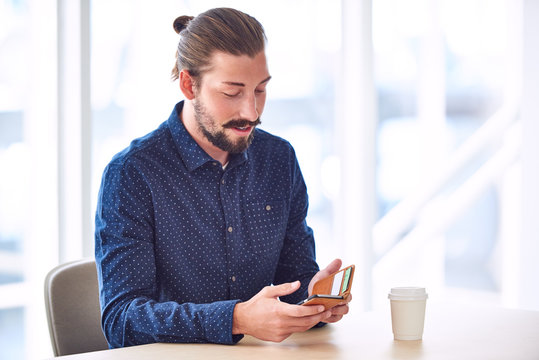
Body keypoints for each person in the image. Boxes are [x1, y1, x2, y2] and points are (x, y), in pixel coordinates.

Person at [95, 7, 350, 348]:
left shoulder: (279, 159)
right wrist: (236, 318)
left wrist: (314, 302)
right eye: (232, 93)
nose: (251, 112)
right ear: (189, 84)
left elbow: (293, 281)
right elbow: (122, 320)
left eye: (260, 90)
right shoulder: (133, 174)